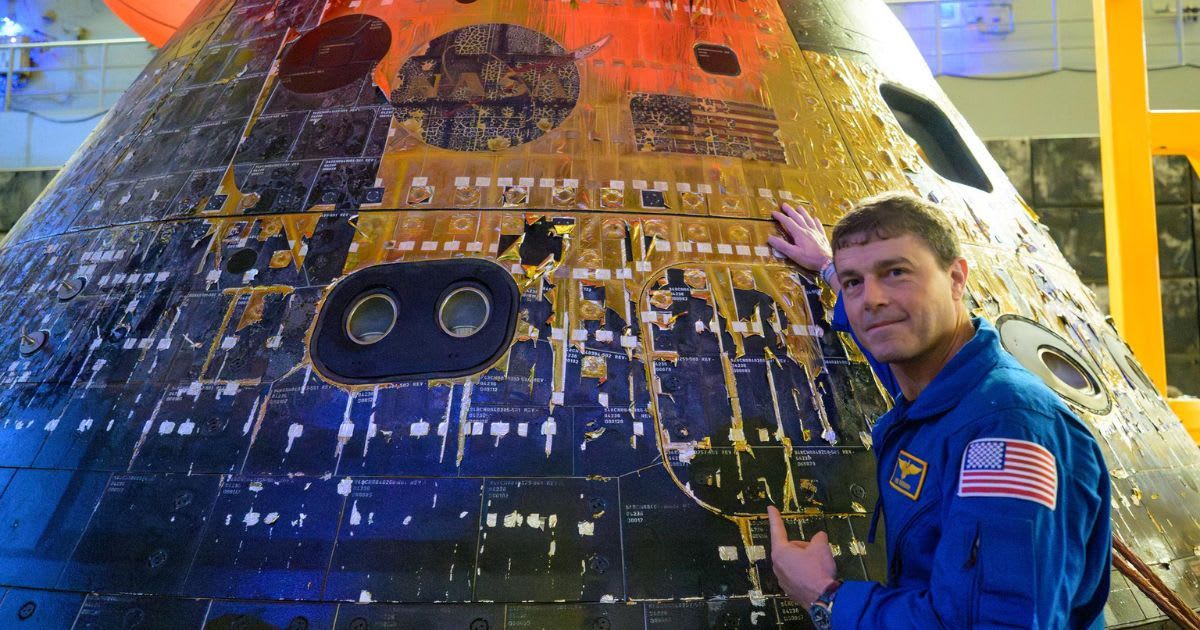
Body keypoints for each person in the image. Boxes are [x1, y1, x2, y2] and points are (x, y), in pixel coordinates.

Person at [764, 193, 1111, 629]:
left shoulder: (1005, 431)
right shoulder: (942, 386)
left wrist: (826, 597)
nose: (871, 299)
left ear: (956, 278)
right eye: (856, 282)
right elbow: (891, 349)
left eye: (896, 272)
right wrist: (830, 270)